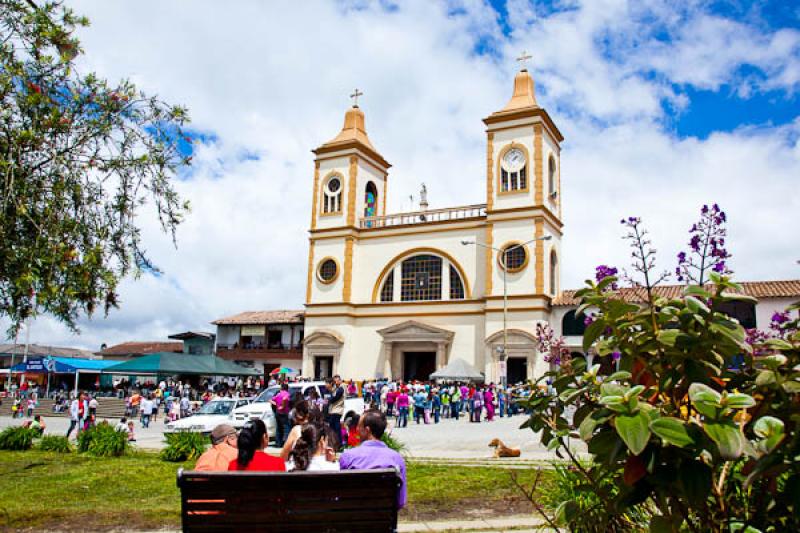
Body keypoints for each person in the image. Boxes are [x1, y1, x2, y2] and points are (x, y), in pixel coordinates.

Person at [339, 409, 406, 509]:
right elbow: (400, 502)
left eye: (359, 426)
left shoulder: (348, 457)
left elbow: (342, 496)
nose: (357, 429)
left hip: (353, 518)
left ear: (367, 430)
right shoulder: (396, 458)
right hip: (384, 521)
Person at [326, 376, 345, 449]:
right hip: (333, 410)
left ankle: (339, 444)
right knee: (332, 427)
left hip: (337, 411)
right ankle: (334, 443)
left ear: (340, 381)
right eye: (334, 381)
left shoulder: (341, 388)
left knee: (336, 428)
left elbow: (335, 398)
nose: (335, 382)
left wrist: (328, 400)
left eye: (336, 381)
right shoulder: (336, 389)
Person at [271, 383, 291, 448]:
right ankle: (285, 443)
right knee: (286, 428)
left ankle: (278, 443)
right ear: (287, 388)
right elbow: (285, 399)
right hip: (284, 413)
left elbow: (271, 400)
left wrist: (277, 405)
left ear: (281, 388)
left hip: (277, 413)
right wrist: (282, 406)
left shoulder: (279, 394)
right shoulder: (286, 394)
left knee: (279, 428)